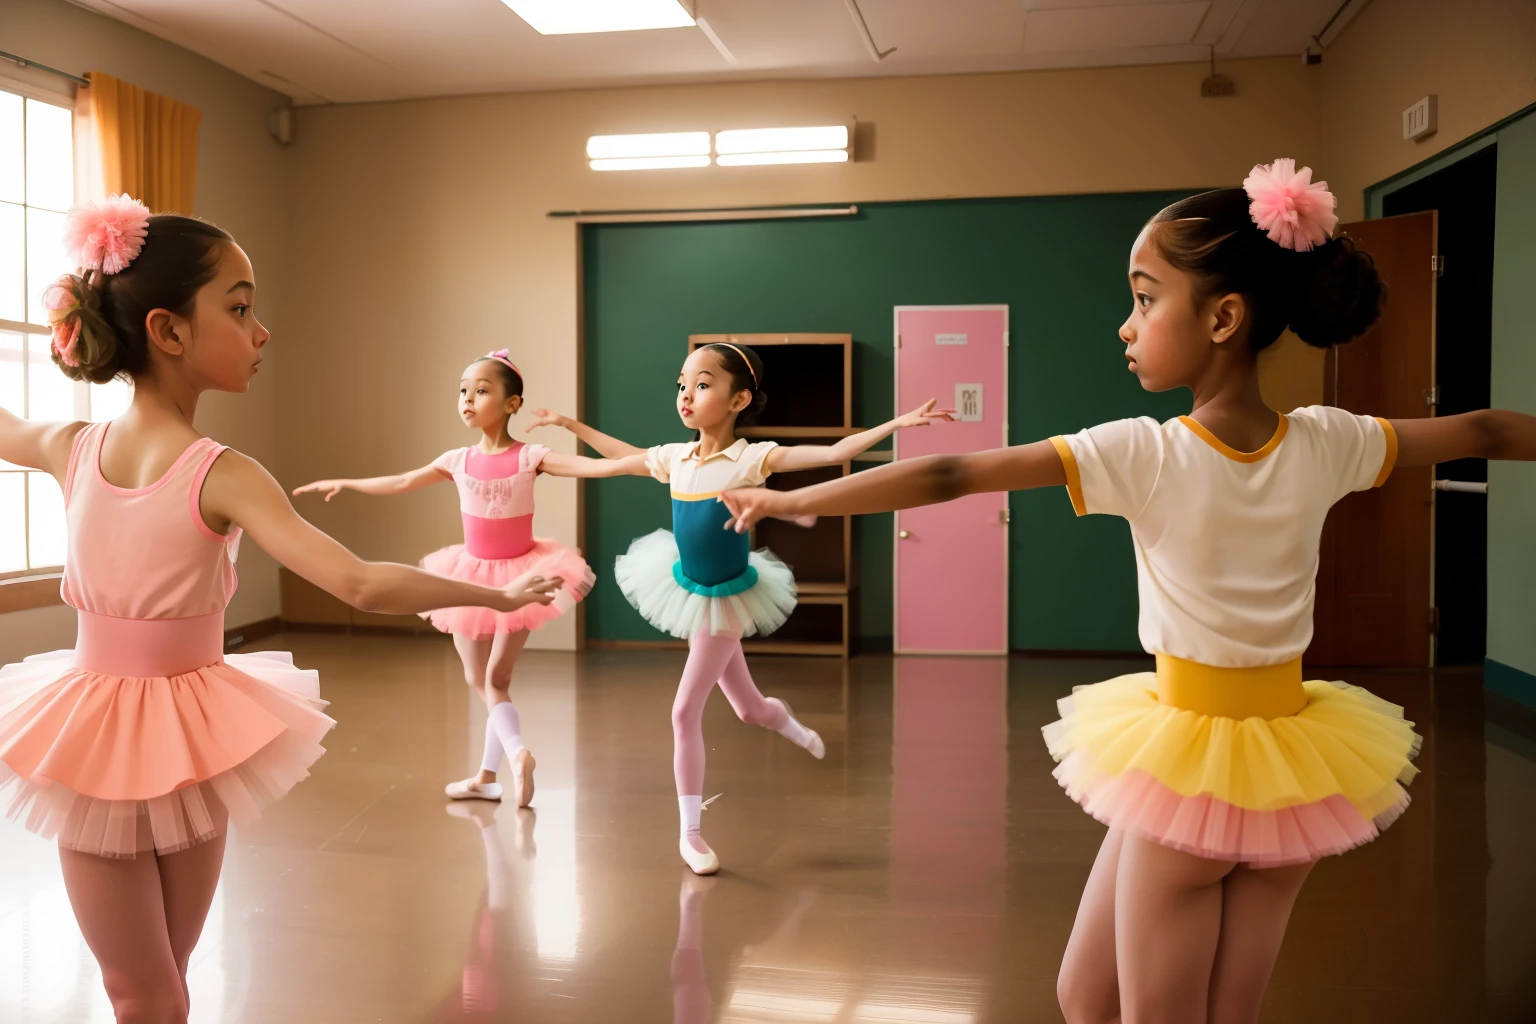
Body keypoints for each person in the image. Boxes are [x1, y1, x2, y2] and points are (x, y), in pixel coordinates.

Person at [719, 160, 1536, 1022]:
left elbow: (956, 472)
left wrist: (794, 496)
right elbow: (1481, 429)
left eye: (1146, 299)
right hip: (1299, 765)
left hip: (1194, 770)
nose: (1127, 325)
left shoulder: (1147, 451)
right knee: (1090, 994)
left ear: (1223, 316)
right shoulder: (1329, 441)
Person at [0, 195, 560, 1024]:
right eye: (240, 308)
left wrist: (495, 593)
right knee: (144, 992)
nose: (262, 331)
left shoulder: (217, 472)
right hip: (93, 740)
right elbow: (363, 583)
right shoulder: (77, 448)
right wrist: (496, 592)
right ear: (168, 330)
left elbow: (362, 583)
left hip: (191, 736)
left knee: (167, 985)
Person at [294, 350, 594, 807]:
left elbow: (589, 467)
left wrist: (643, 462)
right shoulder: (458, 459)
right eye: (462, 390)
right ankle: (487, 776)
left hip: (522, 575)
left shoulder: (530, 456)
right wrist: (351, 482)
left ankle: (516, 755)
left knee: (490, 679)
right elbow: (400, 481)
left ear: (513, 404)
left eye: (481, 389)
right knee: (493, 681)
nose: (468, 398)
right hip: (470, 578)